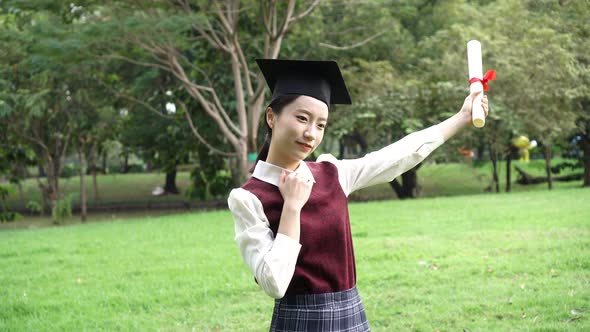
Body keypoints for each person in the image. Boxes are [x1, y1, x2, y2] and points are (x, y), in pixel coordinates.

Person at [227, 59, 489, 332]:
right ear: (272, 116)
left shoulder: (332, 173)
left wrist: (462, 117)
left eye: (320, 124)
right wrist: (292, 207)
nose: (310, 133)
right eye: (302, 118)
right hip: (298, 322)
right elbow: (275, 284)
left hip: (351, 315)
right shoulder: (248, 198)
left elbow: (399, 155)